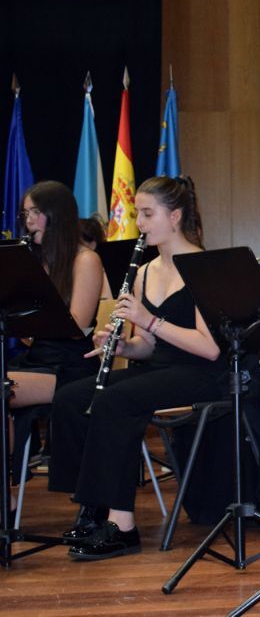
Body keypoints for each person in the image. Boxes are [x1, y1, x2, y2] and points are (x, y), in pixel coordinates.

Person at [48, 176, 227, 560]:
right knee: (70, 397)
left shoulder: (202, 266)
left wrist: (149, 322)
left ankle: (122, 525)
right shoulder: (145, 271)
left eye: (147, 214)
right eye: (137, 214)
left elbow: (210, 349)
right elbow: (147, 347)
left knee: (115, 400)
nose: (139, 223)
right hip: (160, 370)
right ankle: (93, 506)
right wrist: (122, 344)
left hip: (200, 375)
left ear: (175, 216)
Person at [7, 182, 105, 500]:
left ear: (57, 214)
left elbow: (76, 325)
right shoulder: (37, 260)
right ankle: (7, 491)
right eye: (26, 213)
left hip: (71, 366)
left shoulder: (85, 260)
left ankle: (6, 497)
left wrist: (30, 320)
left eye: (36, 212)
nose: (29, 220)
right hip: (39, 359)